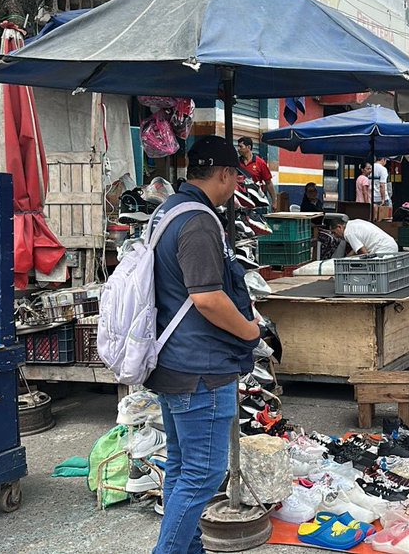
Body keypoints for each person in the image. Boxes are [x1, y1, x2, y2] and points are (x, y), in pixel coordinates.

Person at [145, 135, 261, 554]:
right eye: (235, 176)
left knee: (182, 467)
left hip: (175, 360)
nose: (236, 185)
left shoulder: (168, 210)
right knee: (203, 475)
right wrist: (250, 331)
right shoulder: (198, 221)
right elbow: (208, 298)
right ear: (226, 174)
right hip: (201, 369)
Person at [327, 214, 398, 255]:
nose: (335, 236)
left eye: (334, 232)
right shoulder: (352, 224)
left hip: (383, 249)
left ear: (339, 227)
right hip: (390, 244)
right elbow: (358, 247)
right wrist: (347, 258)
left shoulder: (348, 233)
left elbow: (364, 253)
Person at [236, 136, 276, 207]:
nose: (238, 149)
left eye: (240, 146)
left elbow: (268, 183)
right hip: (241, 202)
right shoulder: (236, 163)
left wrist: (274, 202)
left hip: (256, 201)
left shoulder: (260, 163)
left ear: (248, 147)